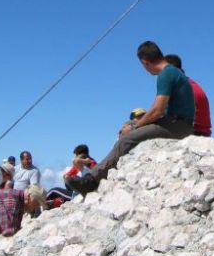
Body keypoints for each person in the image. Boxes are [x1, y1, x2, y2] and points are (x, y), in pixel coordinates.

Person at [68, 41, 195, 196]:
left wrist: (135, 128)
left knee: (126, 140)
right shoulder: (173, 72)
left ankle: (90, 181)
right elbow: (158, 111)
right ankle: (98, 173)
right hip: (177, 122)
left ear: (145, 62)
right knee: (130, 125)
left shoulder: (165, 74)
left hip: (177, 125)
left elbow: (157, 111)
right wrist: (135, 124)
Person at [165, 54, 212, 137]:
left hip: (192, 133)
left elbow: (161, 113)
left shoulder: (182, 88)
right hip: (203, 133)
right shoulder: (192, 84)